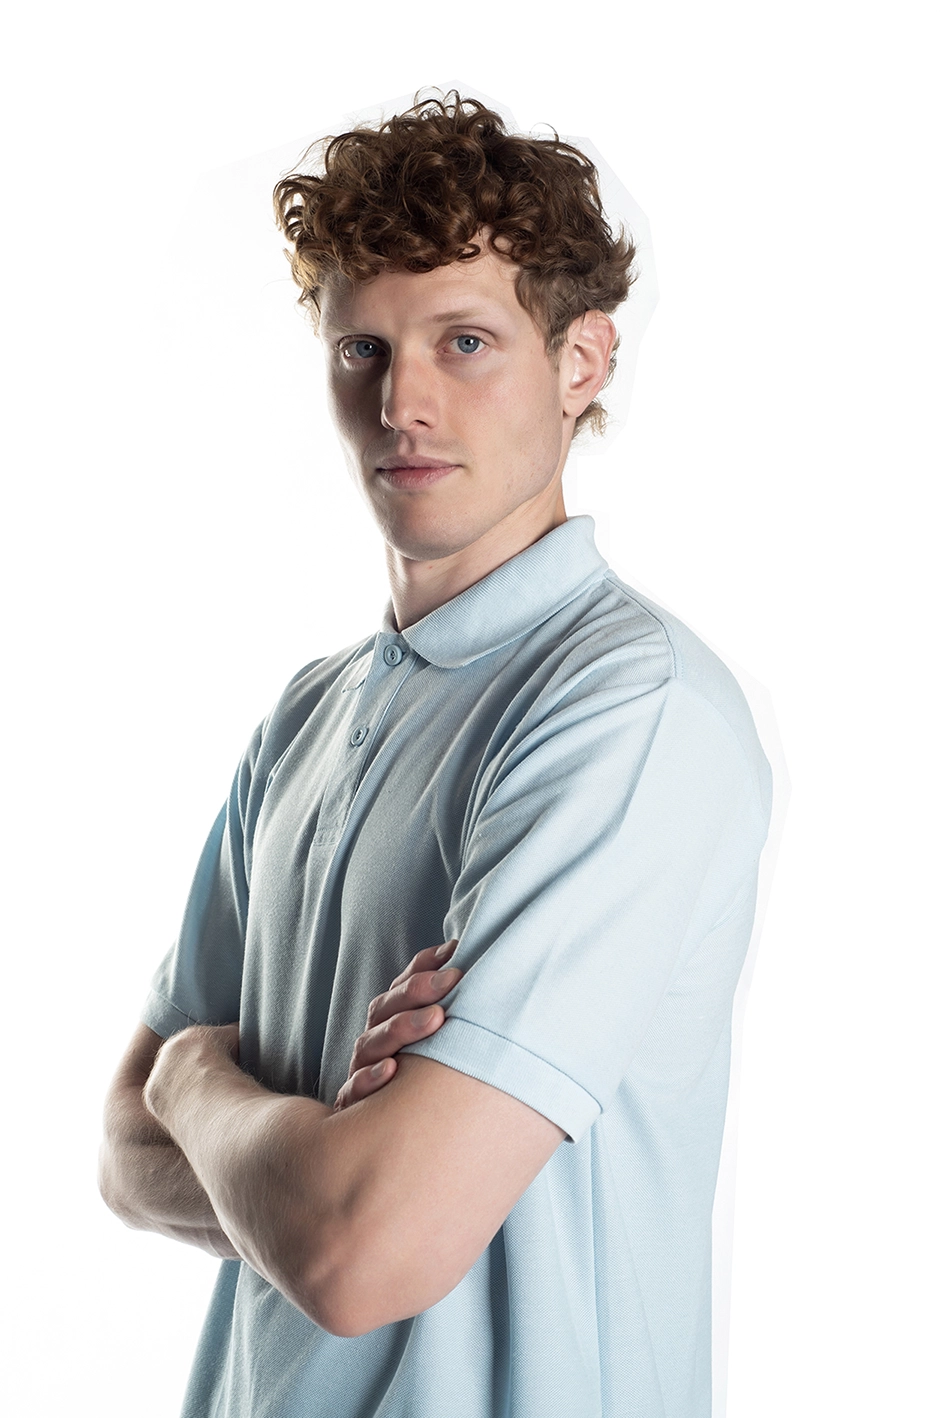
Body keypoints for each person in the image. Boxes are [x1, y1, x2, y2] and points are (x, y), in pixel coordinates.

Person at [98, 92, 772, 1418]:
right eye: (363, 348)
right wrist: (297, 1153)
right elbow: (124, 1156)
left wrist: (198, 1080)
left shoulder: (627, 710)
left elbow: (363, 1253)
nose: (401, 402)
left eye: (465, 342)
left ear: (582, 361)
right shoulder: (304, 718)